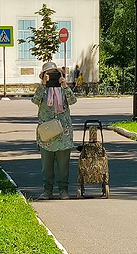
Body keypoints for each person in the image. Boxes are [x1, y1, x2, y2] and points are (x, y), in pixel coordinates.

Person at [32, 61, 77, 200]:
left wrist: (65, 86)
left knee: (63, 165)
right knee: (47, 166)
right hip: (47, 133)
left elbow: (73, 101)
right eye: (48, 74)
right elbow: (35, 100)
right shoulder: (42, 90)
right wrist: (44, 85)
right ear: (43, 76)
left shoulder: (63, 89)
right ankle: (47, 190)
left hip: (63, 133)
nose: (51, 77)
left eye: (54, 74)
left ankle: (63, 190)